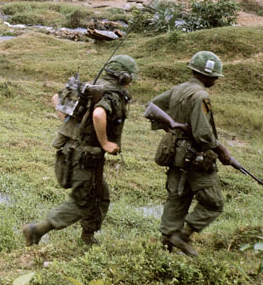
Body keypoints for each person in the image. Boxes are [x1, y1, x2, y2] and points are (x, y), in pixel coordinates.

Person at [23, 54, 138, 246]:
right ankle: (36, 230)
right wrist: (105, 143)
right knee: (82, 201)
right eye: (131, 77)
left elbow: (56, 99)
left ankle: (87, 236)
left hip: (72, 150)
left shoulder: (92, 88)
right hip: (85, 156)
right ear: (123, 77)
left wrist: (72, 127)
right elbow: (99, 114)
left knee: (101, 195)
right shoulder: (111, 94)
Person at [149, 51, 230, 258]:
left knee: (177, 197)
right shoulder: (201, 95)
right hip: (196, 156)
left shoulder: (179, 89)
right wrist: (220, 149)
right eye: (214, 76)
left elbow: (155, 104)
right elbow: (203, 134)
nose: (215, 80)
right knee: (214, 203)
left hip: (174, 152)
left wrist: (171, 128)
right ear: (207, 75)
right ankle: (184, 235)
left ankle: (166, 242)